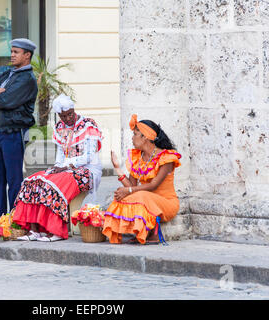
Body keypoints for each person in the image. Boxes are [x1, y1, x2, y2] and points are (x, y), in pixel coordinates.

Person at [11, 94, 103, 242]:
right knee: (33, 181)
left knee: (52, 186)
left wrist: (65, 166)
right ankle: (35, 230)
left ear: (74, 109)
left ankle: (55, 231)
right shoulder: (59, 127)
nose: (67, 119)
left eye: (70, 114)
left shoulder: (88, 124)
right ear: (59, 115)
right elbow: (61, 154)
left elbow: (89, 156)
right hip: (66, 169)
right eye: (63, 116)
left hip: (88, 171)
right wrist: (57, 167)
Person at [0, 38, 38, 241]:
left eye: (16, 52)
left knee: (14, 181)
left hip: (13, 133)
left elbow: (5, 101)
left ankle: (14, 223)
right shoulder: (9, 73)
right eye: (12, 51)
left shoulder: (26, 79)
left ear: (27, 55)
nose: (12, 55)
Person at [102, 114, 182, 245]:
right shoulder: (136, 158)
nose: (132, 138)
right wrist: (117, 168)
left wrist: (127, 190)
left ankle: (152, 232)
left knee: (141, 195)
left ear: (145, 137)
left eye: (135, 134)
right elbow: (131, 186)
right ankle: (140, 230)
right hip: (145, 198)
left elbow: (153, 186)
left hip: (167, 203)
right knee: (120, 198)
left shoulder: (166, 157)